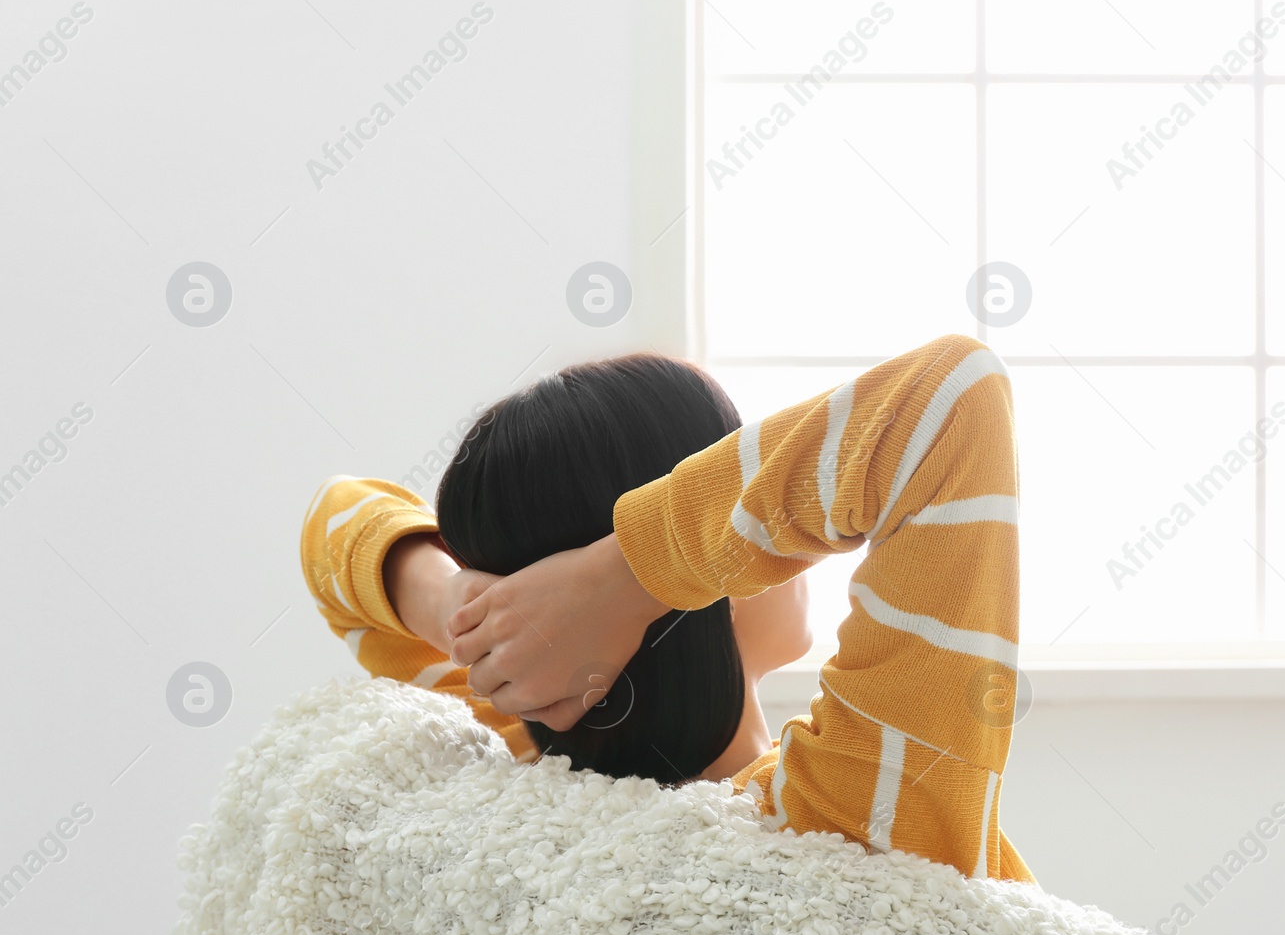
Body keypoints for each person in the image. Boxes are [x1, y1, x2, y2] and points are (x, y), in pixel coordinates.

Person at [300, 333, 1033, 883]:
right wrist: (620, 577)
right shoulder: (852, 812)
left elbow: (333, 518)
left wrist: (461, 608)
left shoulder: (516, 752)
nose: (771, 532)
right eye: (730, 478)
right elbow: (952, 400)